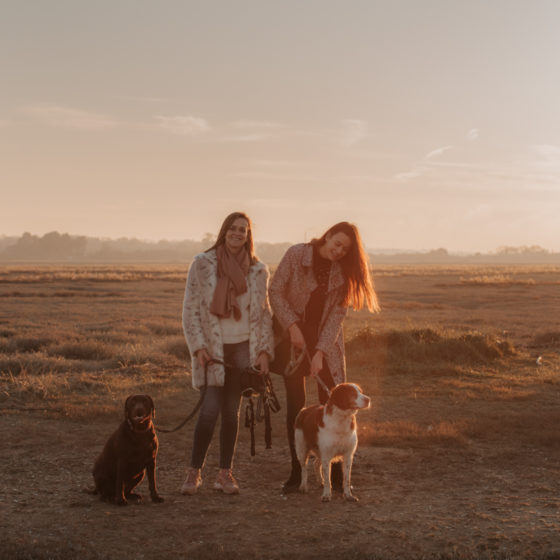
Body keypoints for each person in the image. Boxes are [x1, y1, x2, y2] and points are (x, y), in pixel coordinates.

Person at [269, 221, 380, 494]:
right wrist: (292, 327)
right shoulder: (297, 254)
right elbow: (275, 291)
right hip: (290, 338)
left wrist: (319, 352)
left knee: (332, 402)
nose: (340, 251)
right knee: (296, 406)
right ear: (327, 236)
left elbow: (336, 318)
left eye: (346, 249)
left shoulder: (344, 272)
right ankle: (298, 473)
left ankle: (337, 476)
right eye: (337, 244)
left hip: (326, 343)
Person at [180, 212, 274, 495]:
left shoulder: (258, 271)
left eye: (243, 230)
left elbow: (265, 314)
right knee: (209, 411)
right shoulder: (202, 265)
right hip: (213, 350)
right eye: (232, 228)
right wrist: (198, 347)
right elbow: (190, 310)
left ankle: (224, 474)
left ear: (248, 236)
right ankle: (193, 472)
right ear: (223, 232)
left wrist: (264, 352)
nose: (237, 233)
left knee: (231, 414)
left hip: (243, 349)